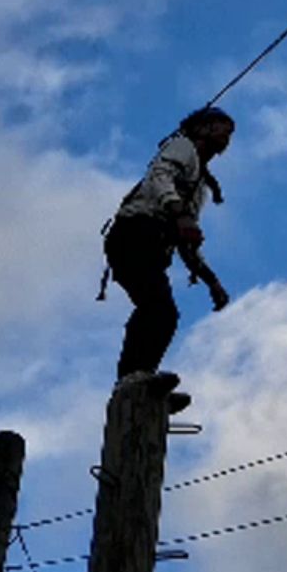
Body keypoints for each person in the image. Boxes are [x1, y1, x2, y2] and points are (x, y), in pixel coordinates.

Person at [100, 106, 234, 382]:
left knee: (162, 313)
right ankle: (133, 379)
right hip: (135, 233)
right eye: (222, 128)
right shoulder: (182, 147)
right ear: (202, 128)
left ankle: (140, 380)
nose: (226, 137)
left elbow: (187, 240)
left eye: (229, 133)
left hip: (150, 242)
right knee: (157, 309)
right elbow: (159, 176)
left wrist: (211, 281)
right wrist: (179, 213)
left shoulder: (199, 185)